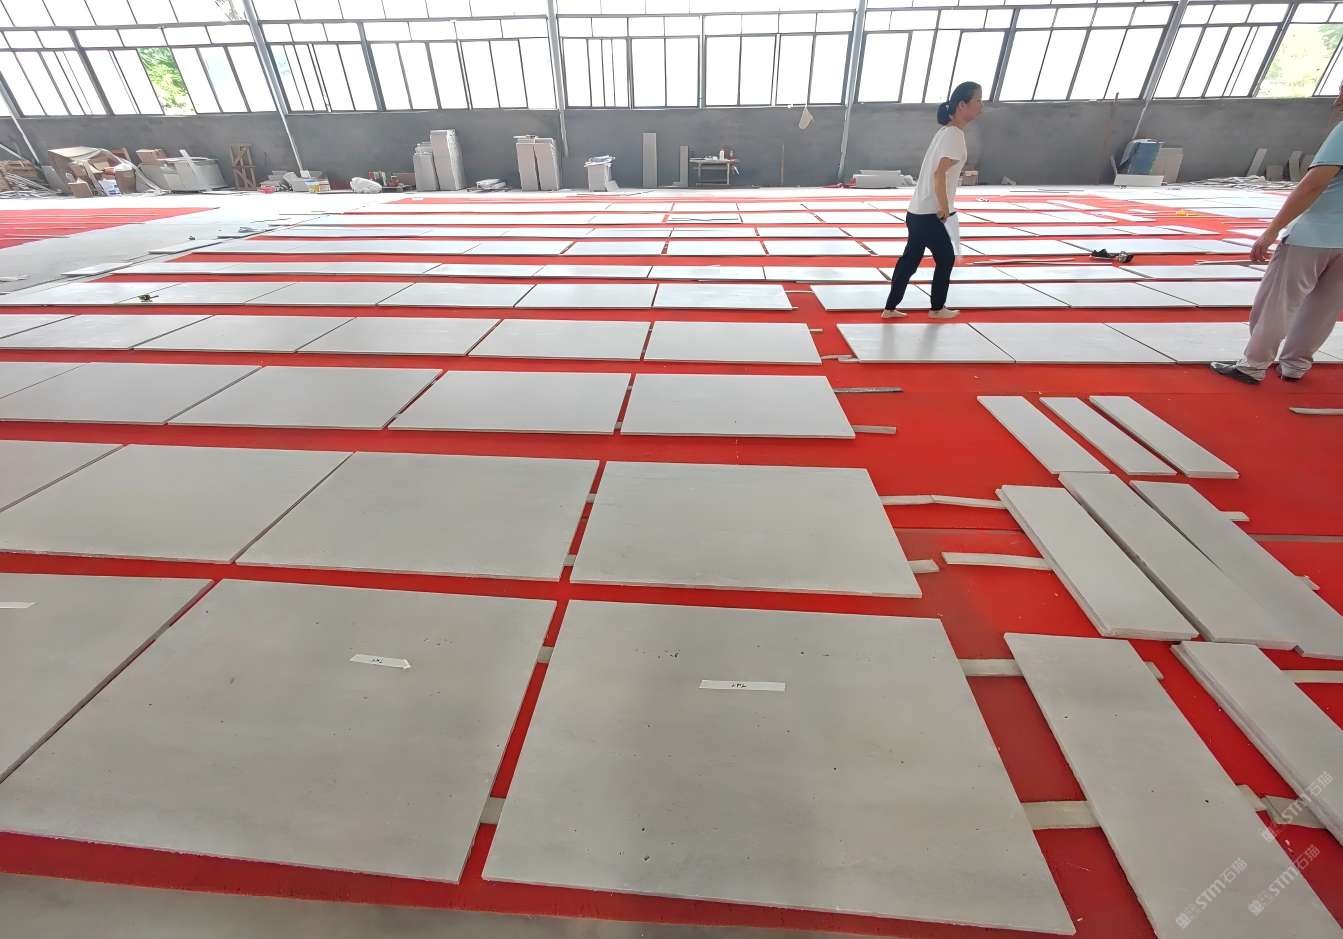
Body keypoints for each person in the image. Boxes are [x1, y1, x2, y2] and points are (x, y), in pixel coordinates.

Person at [1212, 82, 1343, 384]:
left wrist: (1271, 231)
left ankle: (1253, 364)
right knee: (1324, 308)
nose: (1338, 97)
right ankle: (1295, 365)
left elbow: (1313, 184)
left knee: (1278, 302)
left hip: (1313, 236)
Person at [882, 81, 983, 320]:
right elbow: (940, 174)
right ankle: (937, 308)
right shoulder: (954, 135)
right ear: (962, 105)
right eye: (978, 101)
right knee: (945, 258)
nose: (981, 106)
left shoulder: (945, 132)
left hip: (917, 211)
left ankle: (890, 308)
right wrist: (945, 208)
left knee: (910, 260)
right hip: (930, 213)